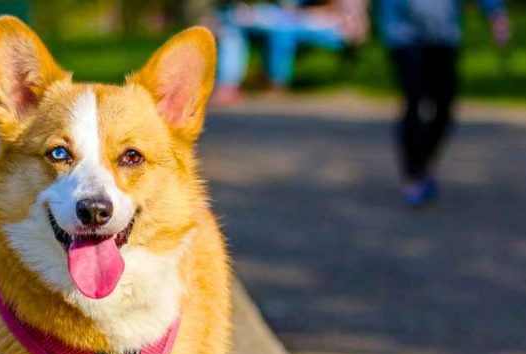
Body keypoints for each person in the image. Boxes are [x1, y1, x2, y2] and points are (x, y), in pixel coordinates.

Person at [381, 0, 510, 207]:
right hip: (403, 33)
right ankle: (414, 175)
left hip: (444, 34)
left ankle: (424, 162)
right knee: (414, 100)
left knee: (445, 105)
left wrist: (496, 14)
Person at [214, 0, 369, 103]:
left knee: (282, 31)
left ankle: (276, 83)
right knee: (232, 20)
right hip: (296, 18)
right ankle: (228, 86)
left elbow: (337, 10)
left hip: (339, 26)